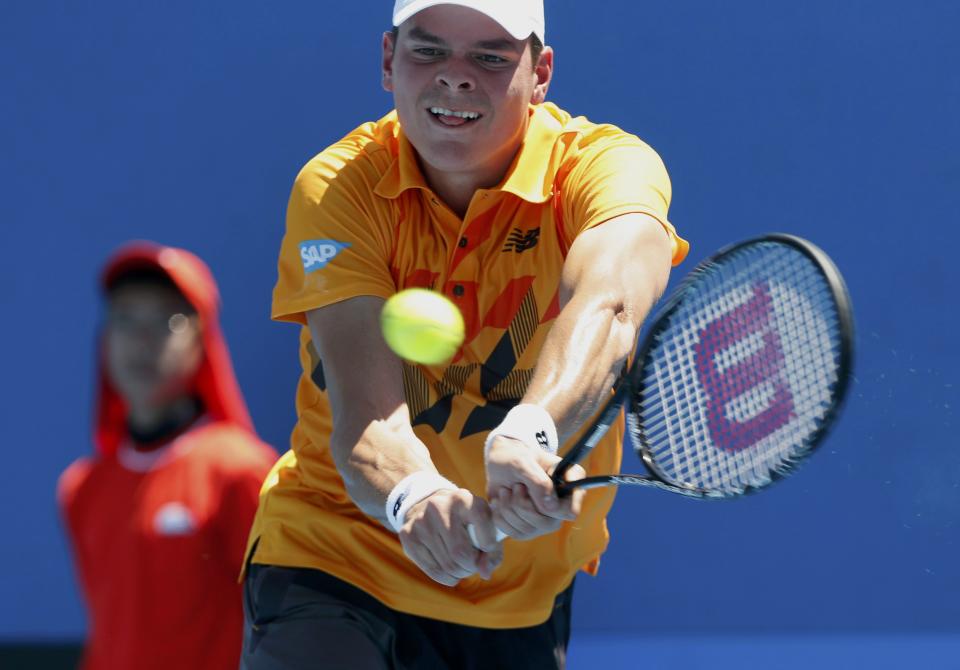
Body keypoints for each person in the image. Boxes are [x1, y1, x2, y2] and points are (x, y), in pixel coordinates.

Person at [241, 1, 690, 668]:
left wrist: (530, 431)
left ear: (540, 73)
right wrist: (415, 497)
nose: (455, 77)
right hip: (334, 557)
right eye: (428, 51)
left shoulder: (608, 169)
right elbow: (368, 421)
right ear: (389, 61)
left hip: (520, 599)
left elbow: (613, 305)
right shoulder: (338, 186)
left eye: (489, 55)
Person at [57, 242, 277, 670]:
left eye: (166, 320)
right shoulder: (80, 488)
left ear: (202, 339)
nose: (141, 340)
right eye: (124, 319)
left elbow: (281, 625)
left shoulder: (241, 470)